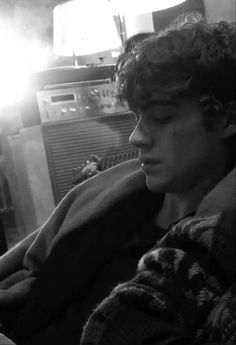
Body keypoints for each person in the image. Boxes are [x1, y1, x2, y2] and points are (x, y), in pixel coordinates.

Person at [0, 20, 235, 345]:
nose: (135, 137)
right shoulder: (115, 192)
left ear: (227, 118)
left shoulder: (213, 252)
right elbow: (26, 268)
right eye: (136, 116)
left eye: (162, 117)